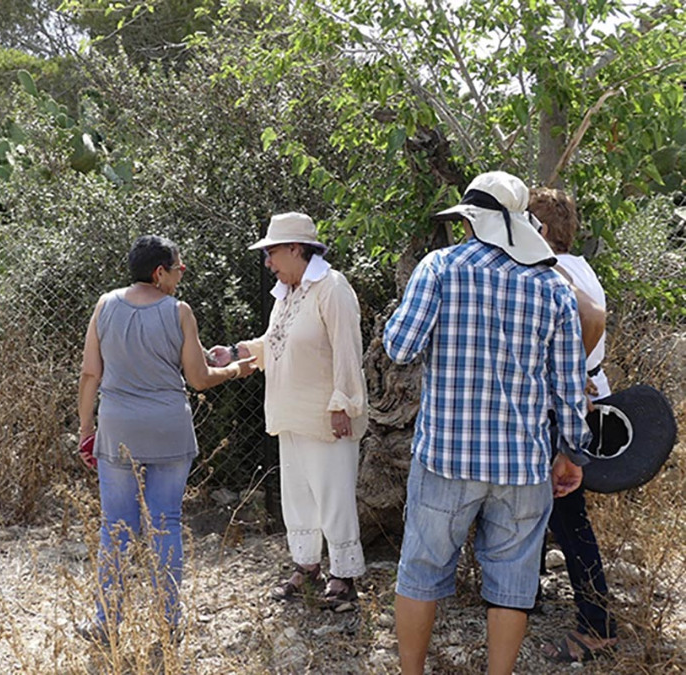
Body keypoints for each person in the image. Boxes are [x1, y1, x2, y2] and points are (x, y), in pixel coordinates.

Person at [382, 171, 592, 675]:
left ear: (471, 220)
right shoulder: (551, 287)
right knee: (513, 586)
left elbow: (400, 347)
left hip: (446, 457)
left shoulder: (440, 268)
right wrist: (571, 452)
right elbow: (568, 384)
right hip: (522, 464)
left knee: (419, 574)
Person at [76, 235, 256, 644]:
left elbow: (90, 373)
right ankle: (169, 620)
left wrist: (87, 429)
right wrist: (236, 371)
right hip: (169, 428)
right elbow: (198, 379)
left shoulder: (105, 305)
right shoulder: (179, 312)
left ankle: (106, 622)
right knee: (166, 522)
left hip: (118, 428)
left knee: (116, 527)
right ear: (160, 273)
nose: (182, 273)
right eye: (178, 267)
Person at [211, 212, 368, 608]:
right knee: (298, 495)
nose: (268, 262)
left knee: (332, 495)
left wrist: (343, 404)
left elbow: (348, 350)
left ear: (296, 249)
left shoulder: (332, 288)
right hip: (290, 412)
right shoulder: (288, 294)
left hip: (325, 415)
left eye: (272, 252)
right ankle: (306, 566)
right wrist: (236, 352)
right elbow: (275, 342)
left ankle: (344, 577)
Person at [529, 187, 618, 663]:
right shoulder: (581, 267)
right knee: (548, 511)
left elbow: (592, 321)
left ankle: (597, 627)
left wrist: (570, 383)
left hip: (565, 407)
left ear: (539, 230)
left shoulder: (555, 271)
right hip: (583, 397)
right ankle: (528, 597)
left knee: (568, 518)